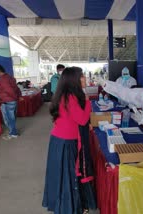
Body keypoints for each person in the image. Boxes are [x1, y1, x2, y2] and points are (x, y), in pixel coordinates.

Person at [43, 67, 96, 214]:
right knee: (69, 176)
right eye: (82, 76)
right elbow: (82, 119)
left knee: (63, 175)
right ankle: (69, 207)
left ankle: (70, 205)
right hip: (66, 142)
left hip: (60, 140)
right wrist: (87, 101)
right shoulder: (72, 97)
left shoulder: (64, 95)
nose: (85, 78)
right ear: (74, 80)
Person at [0, 64, 22, 140]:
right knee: (12, 117)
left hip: (8, 101)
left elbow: (9, 90)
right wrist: (17, 97)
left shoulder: (2, 80)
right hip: (11, 100)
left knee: (9, 119)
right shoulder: (10, 77)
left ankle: (13, 133)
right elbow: (16, 88)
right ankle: (13, 131)